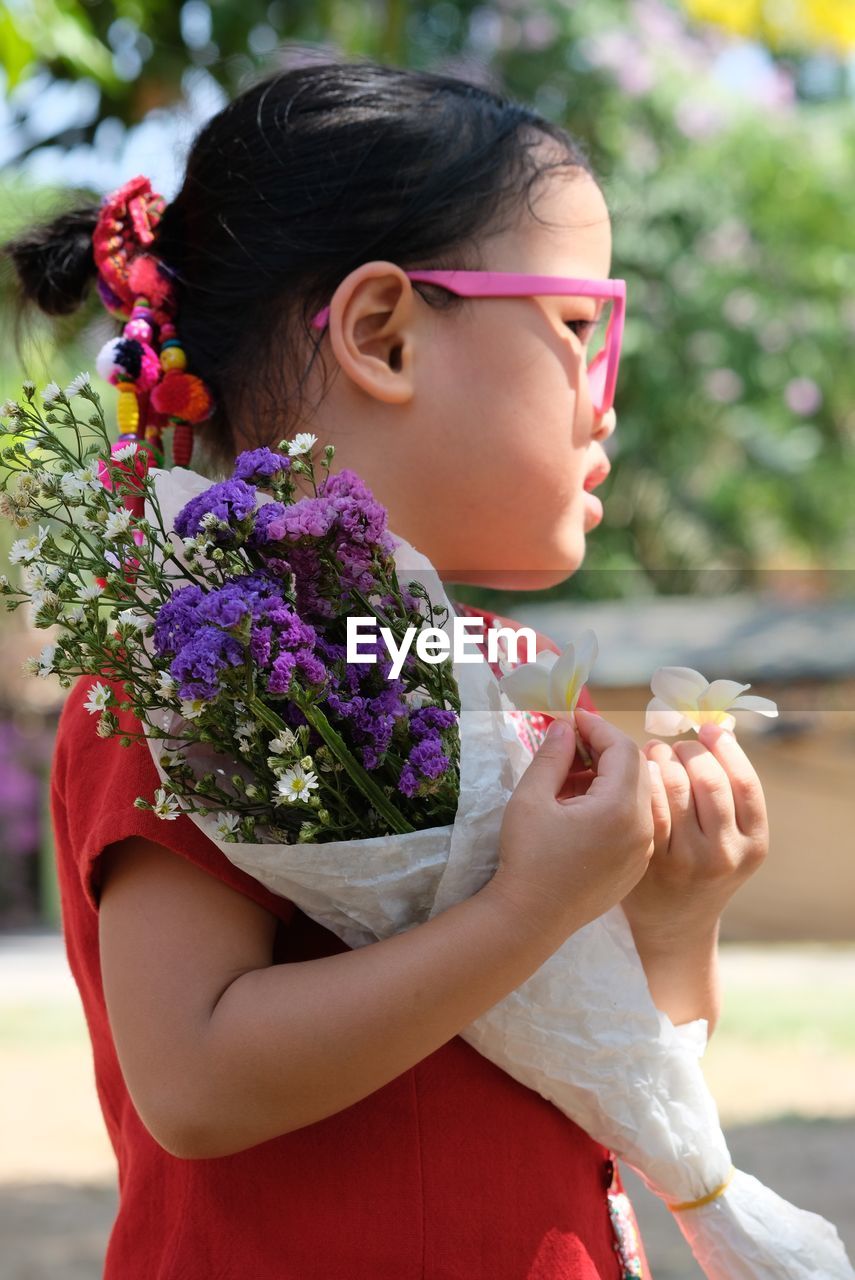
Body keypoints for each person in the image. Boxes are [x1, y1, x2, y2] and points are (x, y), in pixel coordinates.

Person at [4, 55, 769, 1280]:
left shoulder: (506, 666)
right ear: (384, 335)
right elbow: (195, 1077)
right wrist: (530, 909)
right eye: (580, 329)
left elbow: (608, 1072)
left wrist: (676, 928)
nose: (605, 399)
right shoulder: (187, 653)